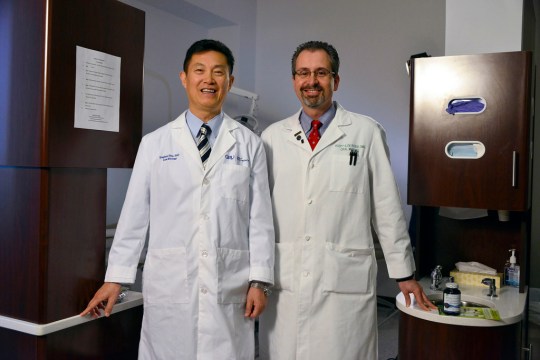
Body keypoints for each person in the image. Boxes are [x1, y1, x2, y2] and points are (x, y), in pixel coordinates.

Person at [80, 39, 275, 360]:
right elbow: (135, 216)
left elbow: (260, 220)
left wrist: (260, 281)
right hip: (171, 283)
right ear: (184, 78)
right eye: (199, 71)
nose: (208, 80)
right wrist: (116, 278)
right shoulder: (155, 143)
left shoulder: (249, 145)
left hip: (229, 283)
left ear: (230, 82)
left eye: (218, 72)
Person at [258, 40, 436, 360]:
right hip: (287, 279)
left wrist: (404, 274)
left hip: (343, 282)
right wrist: (256, 275)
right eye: (303, 73)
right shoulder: (272, 137)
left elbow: (386, 207)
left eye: (321, 73)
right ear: (294, 81)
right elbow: (259, 216)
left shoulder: (365, 132)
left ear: (335, 81)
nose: (311, 81)